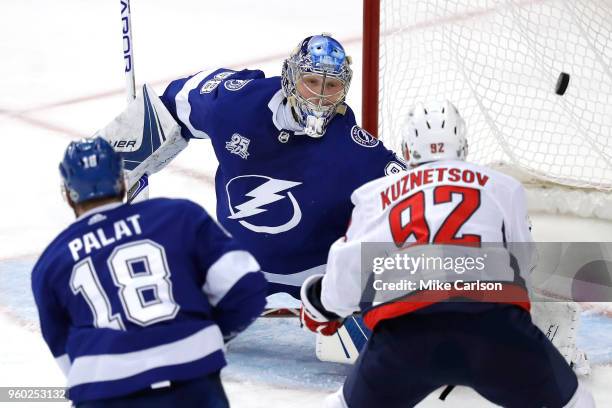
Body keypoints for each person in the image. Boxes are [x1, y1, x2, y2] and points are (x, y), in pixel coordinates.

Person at [300, 101, 595, 407]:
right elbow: (524, 261)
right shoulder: (504, 187)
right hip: (495, 330)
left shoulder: (374, 194)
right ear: (463, 146)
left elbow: (346, 273)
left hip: (405, 336)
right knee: (578, 403)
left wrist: (322, 307)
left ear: (406, 147)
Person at [155, 34, 405, 298]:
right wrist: (127, 148)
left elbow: (417, 197)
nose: (319, 97)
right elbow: (173, 104)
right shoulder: (235, 106)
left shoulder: (357, 152)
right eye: (311, 81)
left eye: (331, 85)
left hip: (321, 285)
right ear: (289, 77)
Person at [31, 137, 267, 407]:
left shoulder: (51, 262)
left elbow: (64, 352)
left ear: (68, 194)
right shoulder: (178, 215)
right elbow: (245, 285)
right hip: (190, 378)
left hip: (104, 392)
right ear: (121, 181)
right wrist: (209, 330)